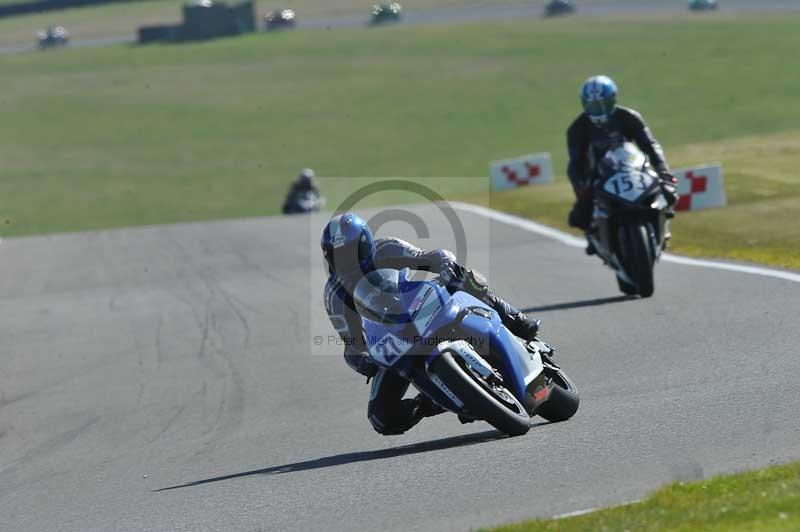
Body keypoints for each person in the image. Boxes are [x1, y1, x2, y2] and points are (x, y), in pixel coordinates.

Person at [321, 212, 541, 435]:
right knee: (381, 417)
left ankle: (512, 316)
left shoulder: (386, 248)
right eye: (337, 256)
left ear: (365, 243)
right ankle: (432, 401)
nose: (345, 262)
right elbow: (351, 343)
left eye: (350, 253)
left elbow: (430, 257)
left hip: (418, 305)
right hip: (391, 336)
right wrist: (362, 362)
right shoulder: (334, 294)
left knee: (461, 277)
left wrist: (445, 265)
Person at [566, 75, 678, 252]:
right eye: (593, 105)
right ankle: (595, 236)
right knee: (579, 217)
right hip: (599, 175)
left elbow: (650, 145)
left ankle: (663, 228)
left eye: (603, 104)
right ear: (584, 104)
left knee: (669, 191)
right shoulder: (577, 128)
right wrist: (580, 186)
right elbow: (575, 163)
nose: (599, 110)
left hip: (633, 168)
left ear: (613, 100)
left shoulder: (629, 117)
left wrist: (662, 169)